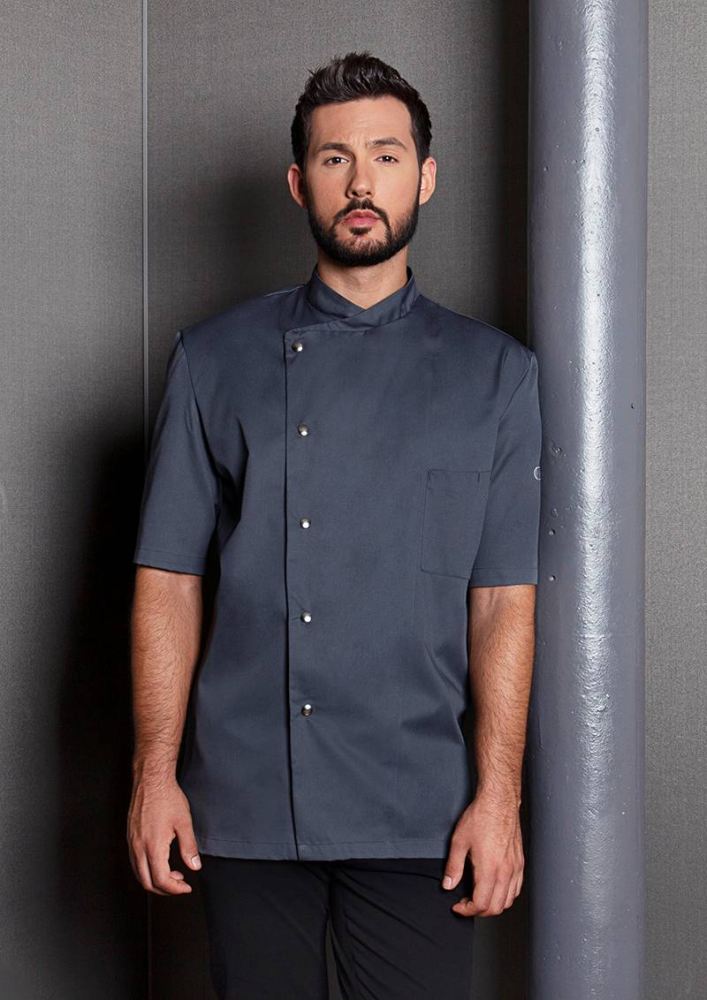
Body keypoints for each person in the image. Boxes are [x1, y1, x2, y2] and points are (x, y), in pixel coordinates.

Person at [127, 50, 542, 1000]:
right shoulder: (212, 359)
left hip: (421, 807)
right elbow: (167, 580)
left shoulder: (495, 375)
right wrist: (155, 775)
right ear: (297, 183)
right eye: (334, 159)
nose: (360, 183)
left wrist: (499, 796)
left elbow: (501, 604)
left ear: (424, 178)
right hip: (245, 800)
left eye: (386, 157)